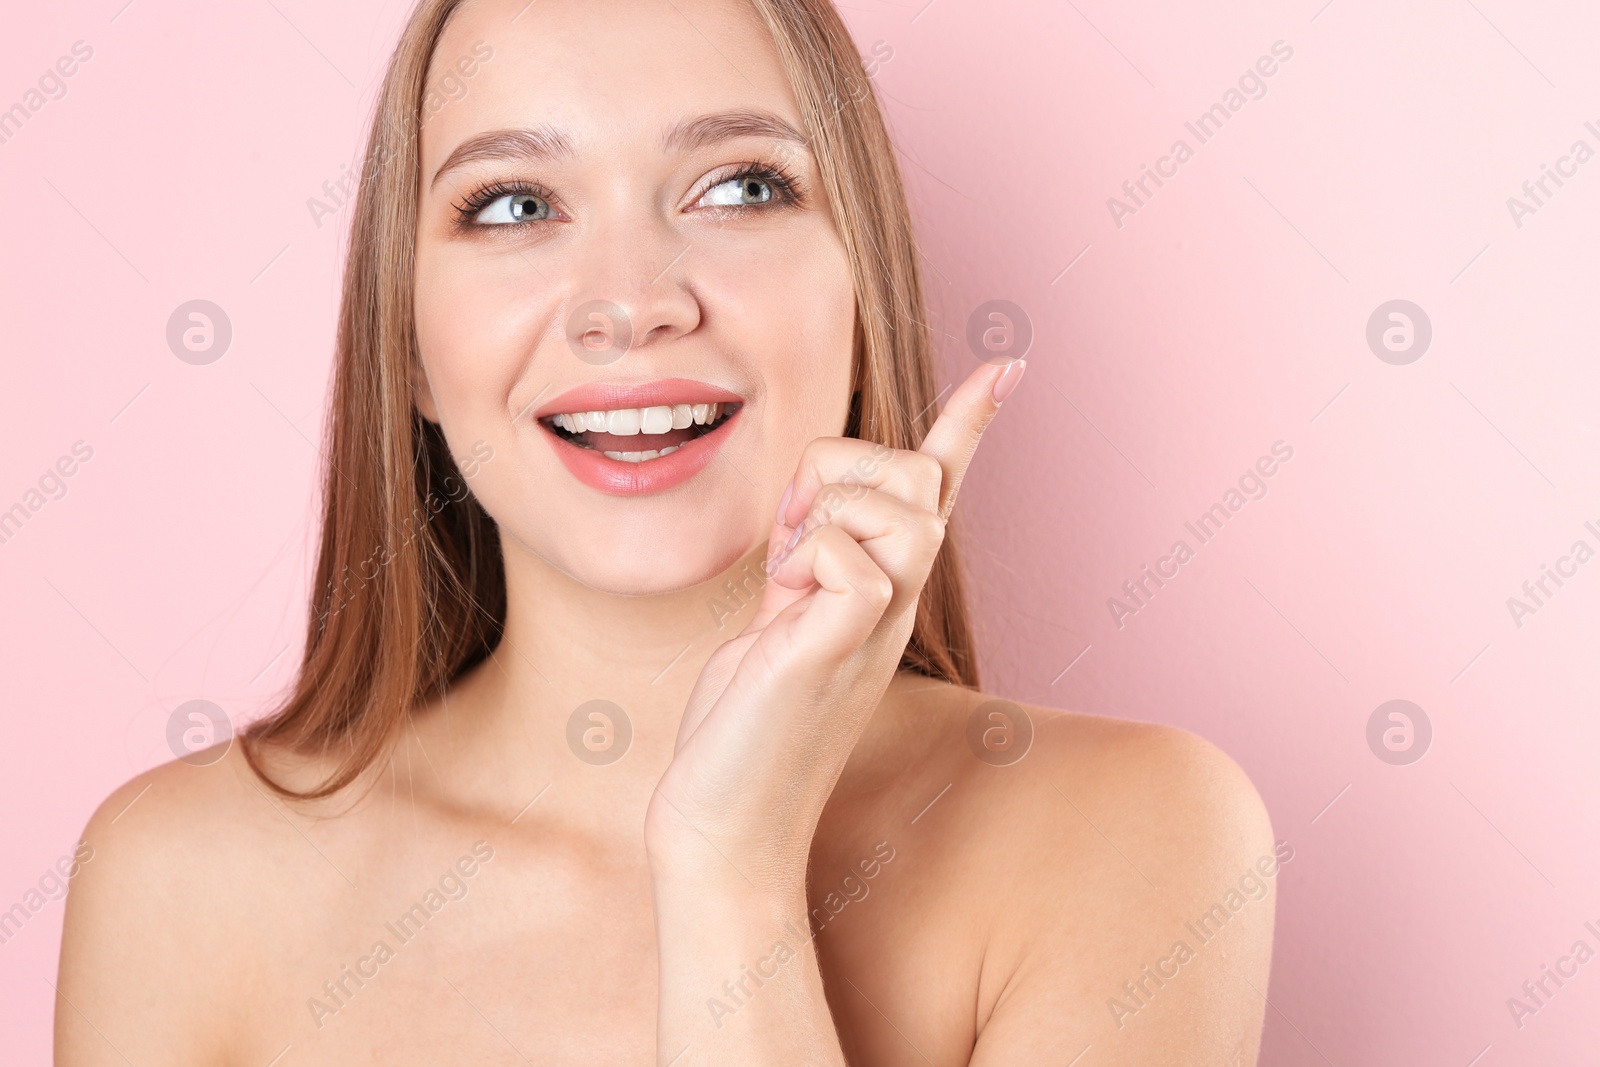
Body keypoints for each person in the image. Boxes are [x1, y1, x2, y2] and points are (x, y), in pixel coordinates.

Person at [55, 0, 1277, 1062]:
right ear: (411, 347)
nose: (630, 305)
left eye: (742, 186)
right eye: (515, 202)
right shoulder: (181, 883)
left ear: (864, 288)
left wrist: (727, 867)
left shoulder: (1134, 836)